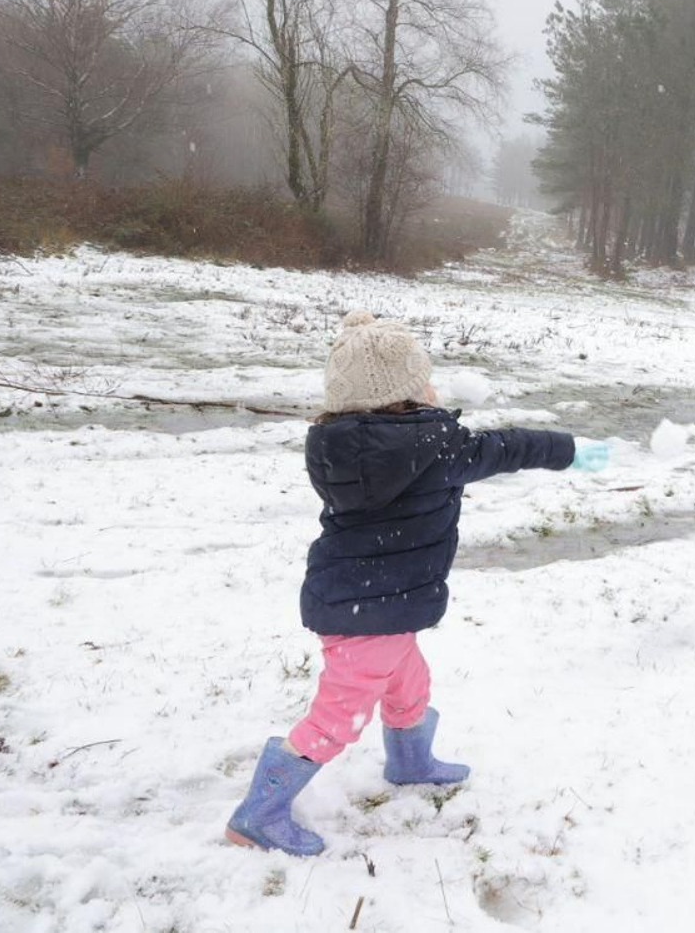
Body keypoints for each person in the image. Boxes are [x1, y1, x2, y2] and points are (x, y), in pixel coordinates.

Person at [224, 310, 610, 856]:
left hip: (362, 603)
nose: (434, 387)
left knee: (410, 685)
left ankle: (410, 762)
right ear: (405, 393)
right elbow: (511, 445)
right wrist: (568, 450)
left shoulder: (333, 445)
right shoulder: (438, 449)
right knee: (337, 718)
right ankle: (257, 816)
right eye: (424, 379)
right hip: (373, 613)